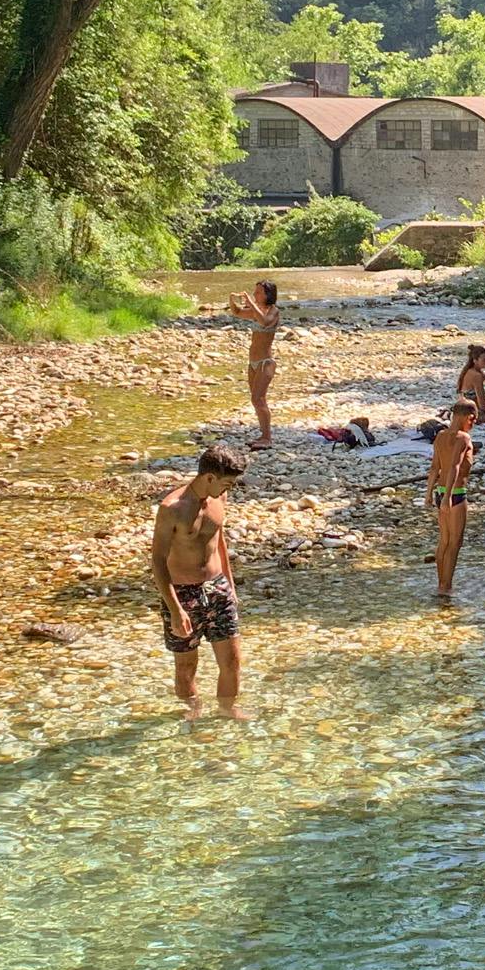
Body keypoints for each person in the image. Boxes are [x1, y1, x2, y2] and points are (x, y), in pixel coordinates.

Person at [151, 441, 250, 719]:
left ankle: (226, 712)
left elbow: (218, 541)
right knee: (186, 666)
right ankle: (192, 713)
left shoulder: (219, 498)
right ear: (209, 477)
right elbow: (157, 560)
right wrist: (174, 610)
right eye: (226, 483)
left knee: (232, 661)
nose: (229, 489)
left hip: (217, 588)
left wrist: (229, 586)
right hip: (182, 593)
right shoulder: (172, 508)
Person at [426, 402, 477, 598]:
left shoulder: (439, 436)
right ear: (467, 417)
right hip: (454, 493)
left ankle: (441, 584)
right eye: (473, 420)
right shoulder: (463, 438)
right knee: (455, 542)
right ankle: (446, 587)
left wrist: (429, 495)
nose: (472, 424)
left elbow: (434, 468)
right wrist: (448, 497)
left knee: (444, 541)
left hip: (440, 491)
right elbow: (455, 466)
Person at [229, 280, 281, 448]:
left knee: (257, 398)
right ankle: (263, 435)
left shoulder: (273, 311)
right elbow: (237, 312)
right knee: (257, 400)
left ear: (268, 295)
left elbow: (265, 321)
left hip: (266, 362)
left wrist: (251, 303)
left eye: (259, 292)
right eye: (255, 292)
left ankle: (267, 438)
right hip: (253, 362)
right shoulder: (255, 311)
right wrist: (232, 300)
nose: (255, 295)